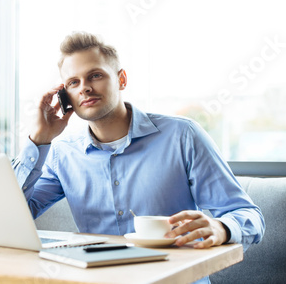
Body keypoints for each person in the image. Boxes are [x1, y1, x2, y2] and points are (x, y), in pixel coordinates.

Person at [13, 32, 265, 254]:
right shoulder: (62, 154)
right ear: (65, 95)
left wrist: (221, 228)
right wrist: (40, 139)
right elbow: (14, 214)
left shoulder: (182, 136)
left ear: (122, 79)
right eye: (73, 82)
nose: (85, 88)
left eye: (95, 75)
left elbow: (249, 216)